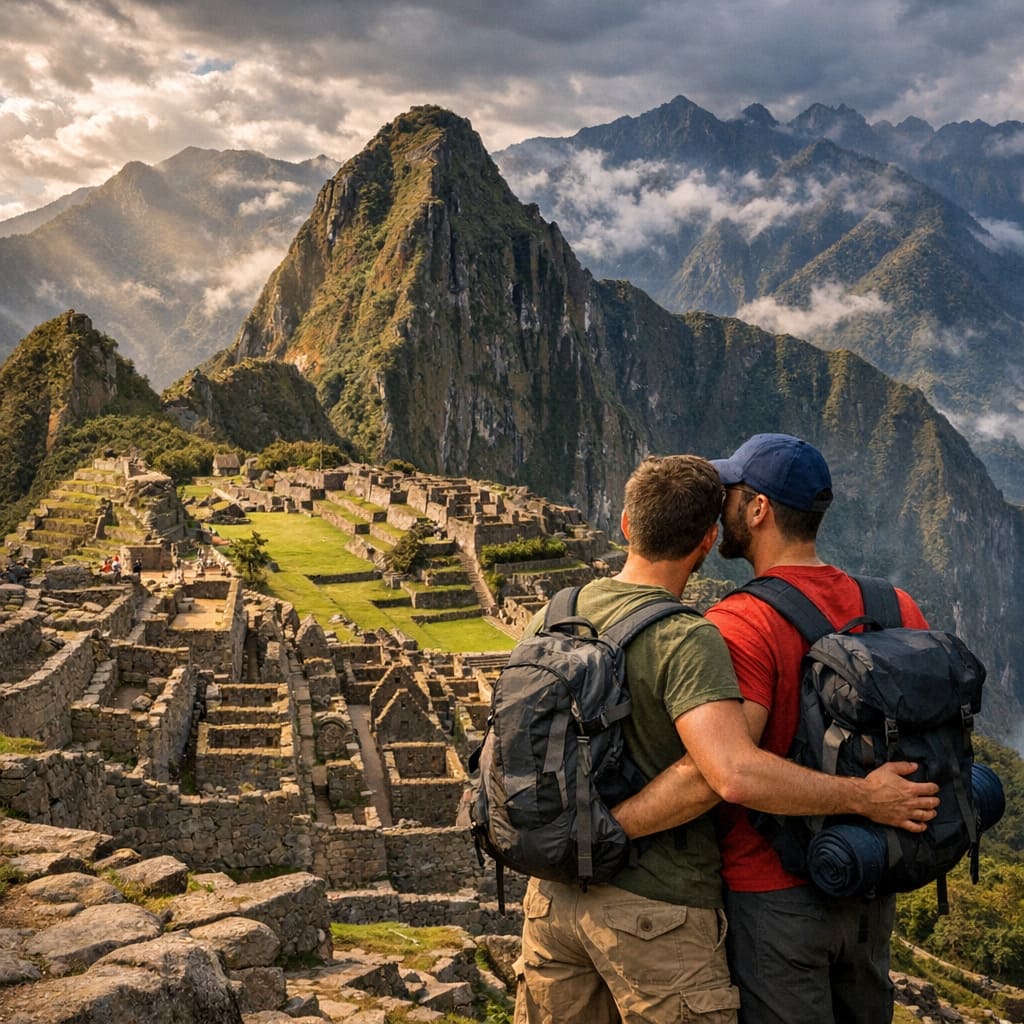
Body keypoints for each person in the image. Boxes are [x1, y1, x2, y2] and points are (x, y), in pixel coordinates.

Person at [515, 455, 938, 1024]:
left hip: (556, 898)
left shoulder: (556, 614)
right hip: (815, 885)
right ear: (708, 539)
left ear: (623, 524)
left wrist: (574, 841)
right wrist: (867, 797)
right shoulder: (893, 606)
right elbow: (725, 771)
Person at [707, 433, 933, 1024]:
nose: (722, 505)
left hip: (773, 895)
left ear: (757, 510)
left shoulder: (740, 622)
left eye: (731, 492)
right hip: (871, 884)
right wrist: (873, 805)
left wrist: (863, 796)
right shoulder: (896, 607)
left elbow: (736, 772)